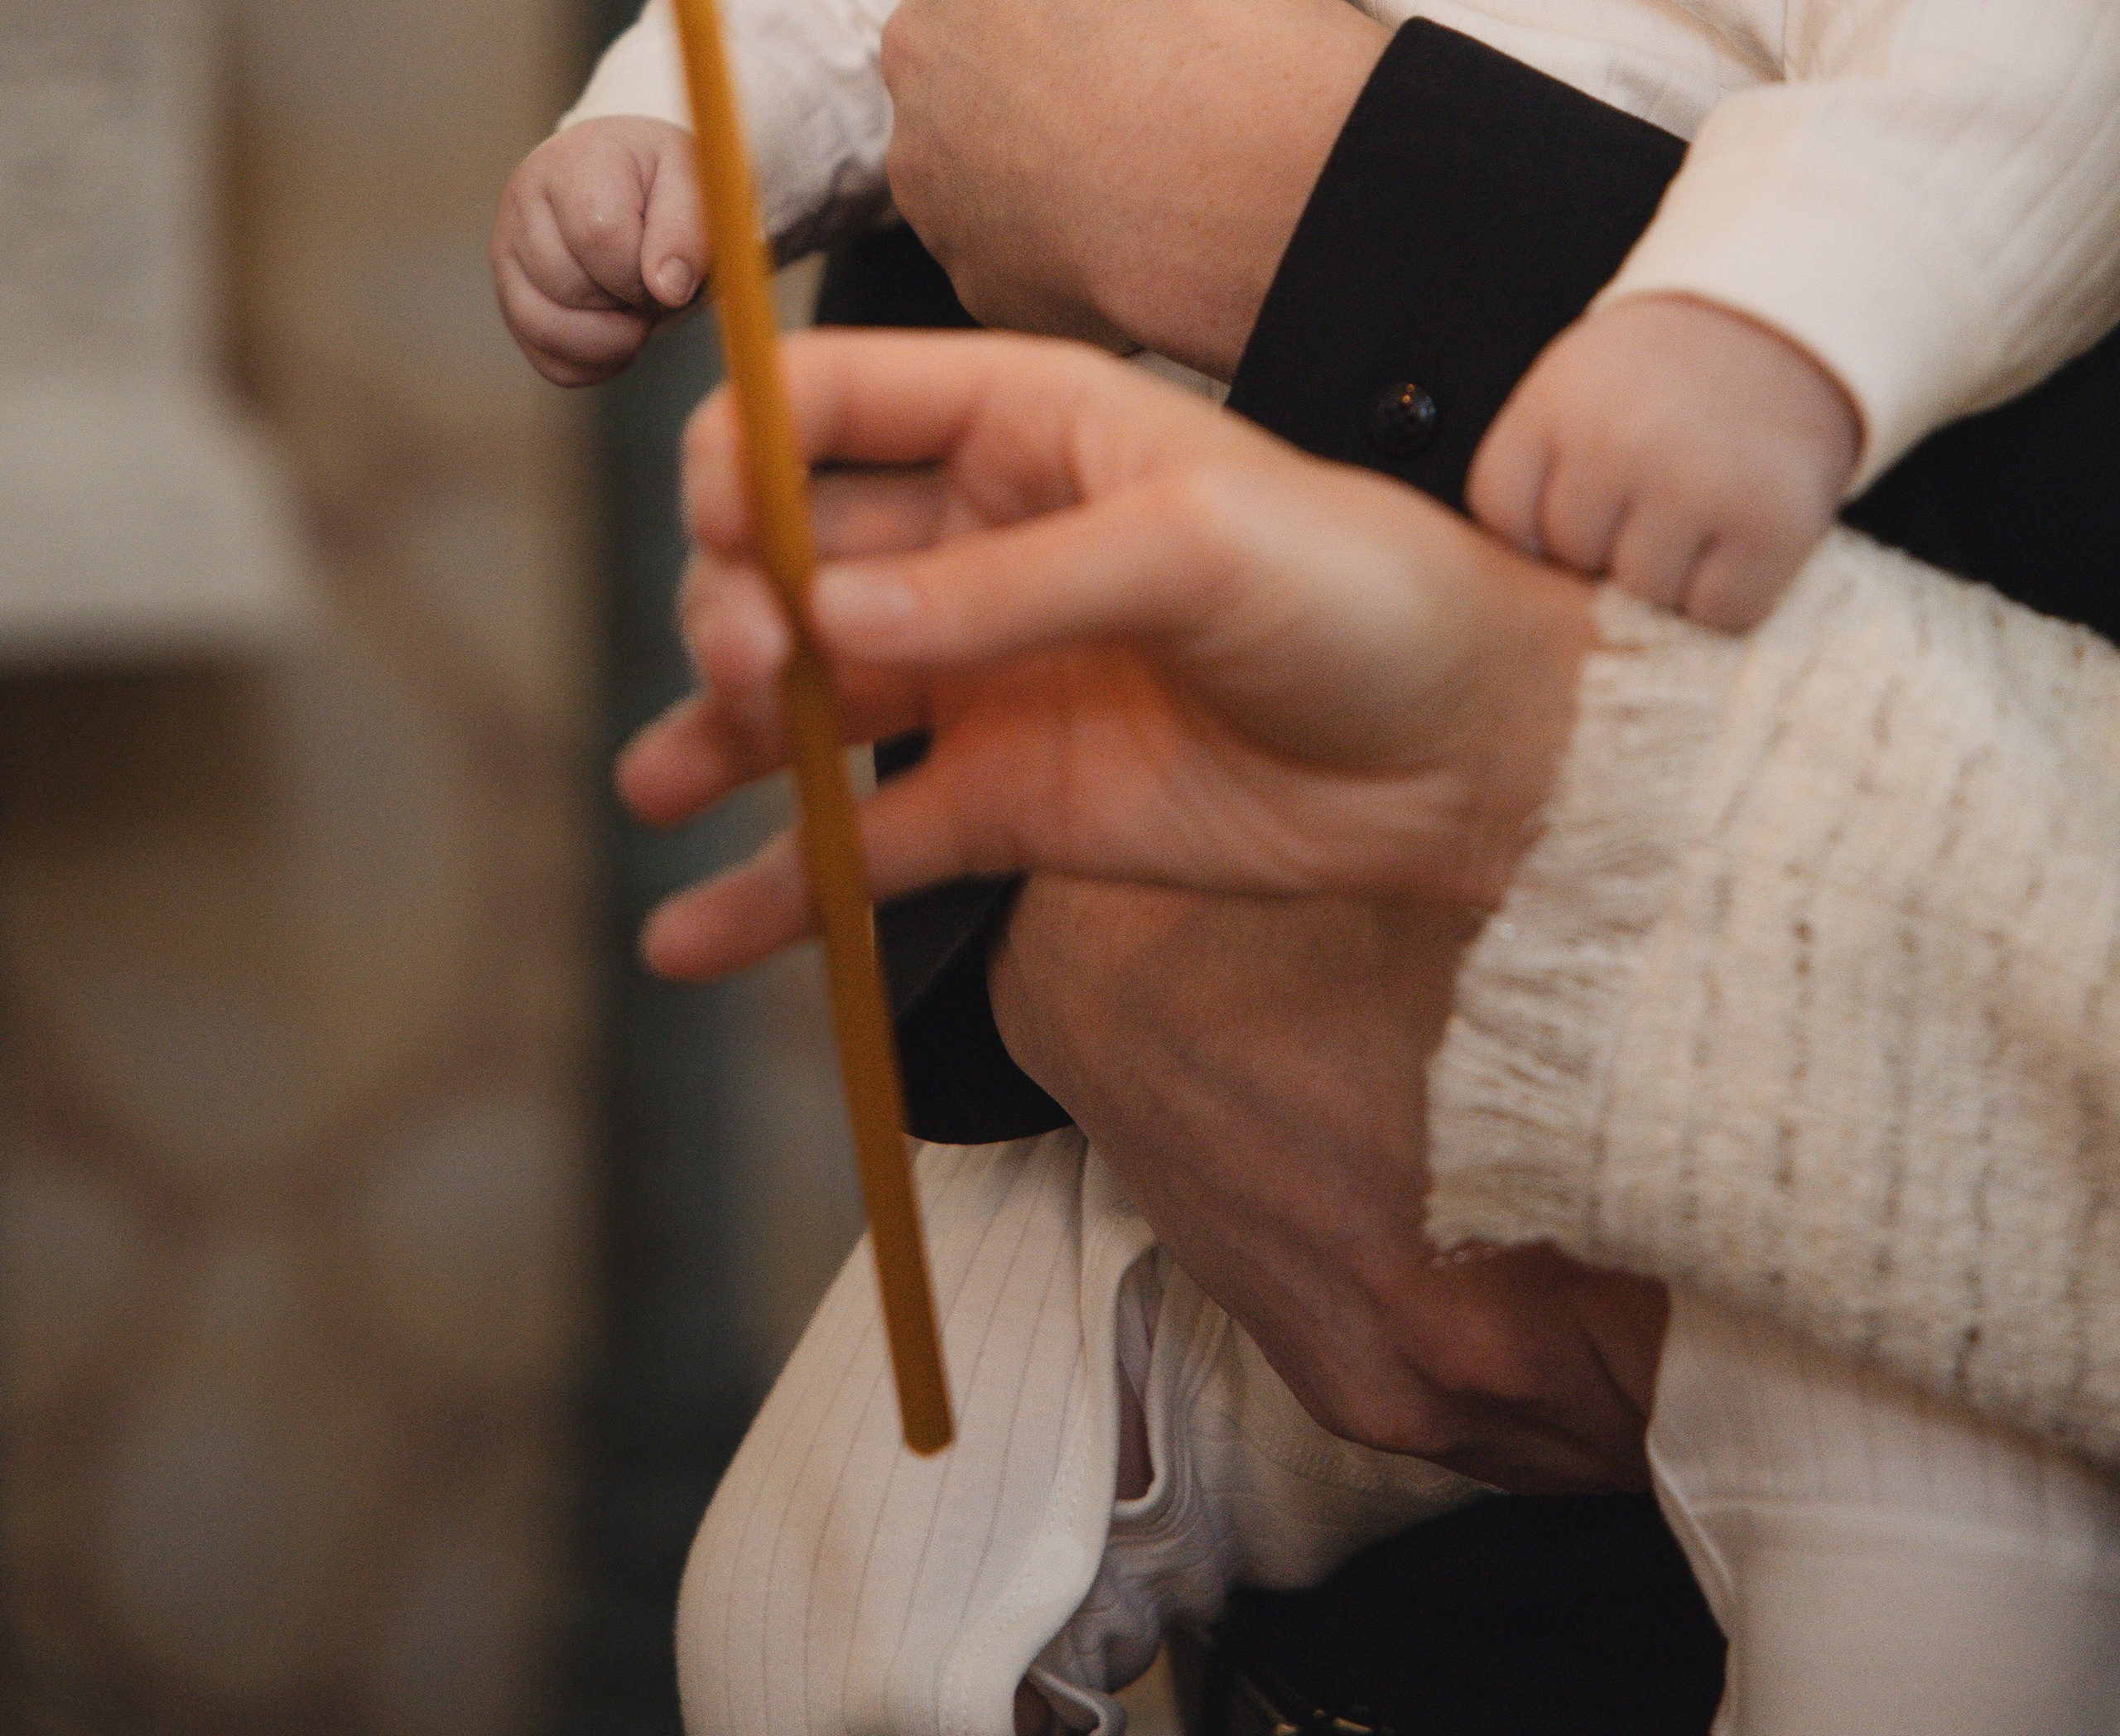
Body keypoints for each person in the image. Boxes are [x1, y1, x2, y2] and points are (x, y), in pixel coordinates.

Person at [494, 0, 2120, 1733]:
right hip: (1168, 1084)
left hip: (1811, 1056)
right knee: (806, 1585)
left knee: (1944, 1582)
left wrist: (1759, 329)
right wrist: (663, 133)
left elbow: (2039, 80)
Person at [628, 322, 2120, 1729]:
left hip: (1925, 1268)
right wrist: (1059, 902)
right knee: (781, 1619)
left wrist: (1572, 741)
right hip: (1251, 983)